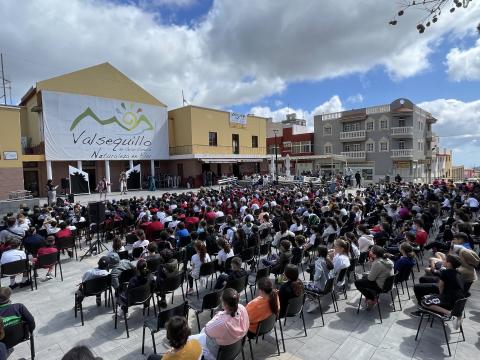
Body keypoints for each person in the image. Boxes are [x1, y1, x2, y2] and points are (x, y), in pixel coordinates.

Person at [190, 288, 249, 360]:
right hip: (235, 349)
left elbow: (207, 330)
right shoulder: (242, 308)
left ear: (226, 305)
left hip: (216, 354)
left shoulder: (222, 323)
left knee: (189, 340)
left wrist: (218, 316)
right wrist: (223, 314)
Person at [305, 246, 333, 312]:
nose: (316, 252)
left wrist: (314, 278)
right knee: (310, 283)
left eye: (317, 250)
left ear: (319, 253)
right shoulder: (328, 260)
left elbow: (318, 275)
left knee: (303, 285)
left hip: (321, 288)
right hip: (329, 286)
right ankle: (315, 299)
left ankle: (314, 302)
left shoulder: (319, 262)